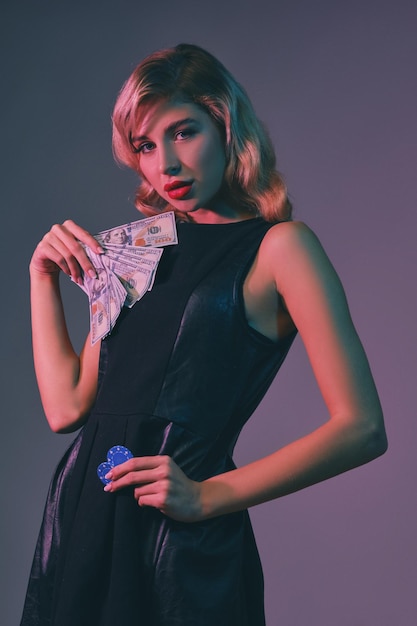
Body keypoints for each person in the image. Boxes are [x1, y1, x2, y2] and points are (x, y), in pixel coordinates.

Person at [21, 43, 387, 626]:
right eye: (145, 145)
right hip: (83, 523)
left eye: (183, 132)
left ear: (224, 127)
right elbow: (68, 408)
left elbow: (363, 428)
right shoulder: (135, 252)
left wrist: (209, 495)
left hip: (179, 543)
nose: (166, 163)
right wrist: (41, 278)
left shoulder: (282, 249)